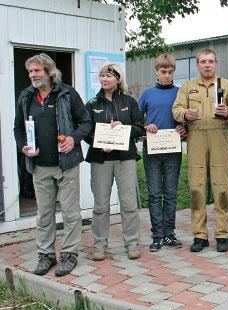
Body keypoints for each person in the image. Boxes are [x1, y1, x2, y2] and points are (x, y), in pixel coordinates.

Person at [13, 53, 91, 276]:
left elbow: (85, 122)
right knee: (44, 214)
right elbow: (18, 128)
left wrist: (73, 139)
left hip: (66, 164)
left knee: (70, 212)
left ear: (49, 71)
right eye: (30, 72)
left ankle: (69, 255)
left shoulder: (67, 93)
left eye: (37, 71)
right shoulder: (26, 96)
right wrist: (23, 147)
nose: (32, 75)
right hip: (39, 166)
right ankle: (46, 255)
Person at [173, 49, 228, 253]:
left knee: (222, 187)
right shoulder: (188, 87)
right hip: (196, 139)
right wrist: (185, 114)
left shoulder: (226, 85)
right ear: (197, 65)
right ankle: (199, 235)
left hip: (220, 137)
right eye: (203, 62)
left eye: (211, 61)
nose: (207, 65)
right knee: (197, 187)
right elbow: (175, 110)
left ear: (216, 64)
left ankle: (222, 234)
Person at [85, 64, 145, 261]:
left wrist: (123, 128)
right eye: (102, 75)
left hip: (125, 158)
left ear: (118, 79)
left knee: (128, 203)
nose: (104, 79)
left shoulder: (129, 101)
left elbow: (140, 128)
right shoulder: (92, 103)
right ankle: (100, 245)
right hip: (100, 159)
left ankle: (132, 244)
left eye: (109, 76)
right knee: (101, 205)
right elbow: (85, 130)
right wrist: (98, 141)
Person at [139, 54, 187, 252]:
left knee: (170, 194)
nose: (167, 75)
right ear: (156, 71)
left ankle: (169, 233)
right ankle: (157, 235)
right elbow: (136, 120)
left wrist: (184, 128)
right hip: (152, 150)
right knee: (154, 193)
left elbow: (186, 120)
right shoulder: (147, 94)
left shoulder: (180, 93)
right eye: (163, 71)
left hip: (173, 149)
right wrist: (145, 126)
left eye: (170, 71)